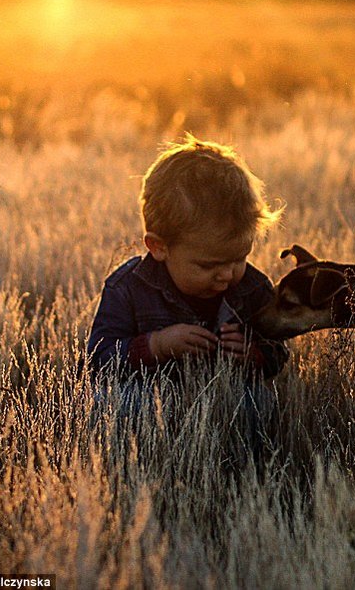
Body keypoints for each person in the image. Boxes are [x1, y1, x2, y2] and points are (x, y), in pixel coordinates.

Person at [86, 135, 288, 458]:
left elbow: (279, 351)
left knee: (259, 403)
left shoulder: (253, 288)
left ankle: (240, 471)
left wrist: (255, 354)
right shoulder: (128, 288)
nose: (227, 275)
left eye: (239, 258)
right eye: (209, 265)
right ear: (158, 247)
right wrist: (155, 345)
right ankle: (143, 468)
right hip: (152, 405)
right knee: (117, 403)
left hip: (224, 406)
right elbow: (98, 360)